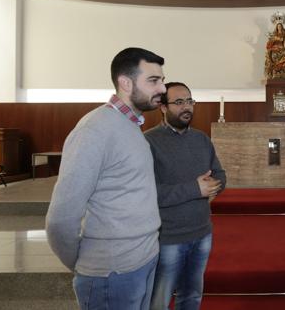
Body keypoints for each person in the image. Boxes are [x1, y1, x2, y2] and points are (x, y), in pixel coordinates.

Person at [46, 47, 167, 310]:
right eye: (154, 81)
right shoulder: (95, 129)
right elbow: (60, 219)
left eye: (162, 80)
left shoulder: (131, 126)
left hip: (143, 259)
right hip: (112, 272)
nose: (162, 89)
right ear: (125, 83)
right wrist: (87, 263)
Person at [145, 82, 226, 310]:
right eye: (178, 102)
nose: (186, 107)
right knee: (159, 300)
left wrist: (212, 187)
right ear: (163, 107)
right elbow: (148, 192)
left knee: (192, 297)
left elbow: (220, 175)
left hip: (202, 233)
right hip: (169, 237)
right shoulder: (149, 141)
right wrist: (195, 189)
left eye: (190, 101)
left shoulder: (201, 139)